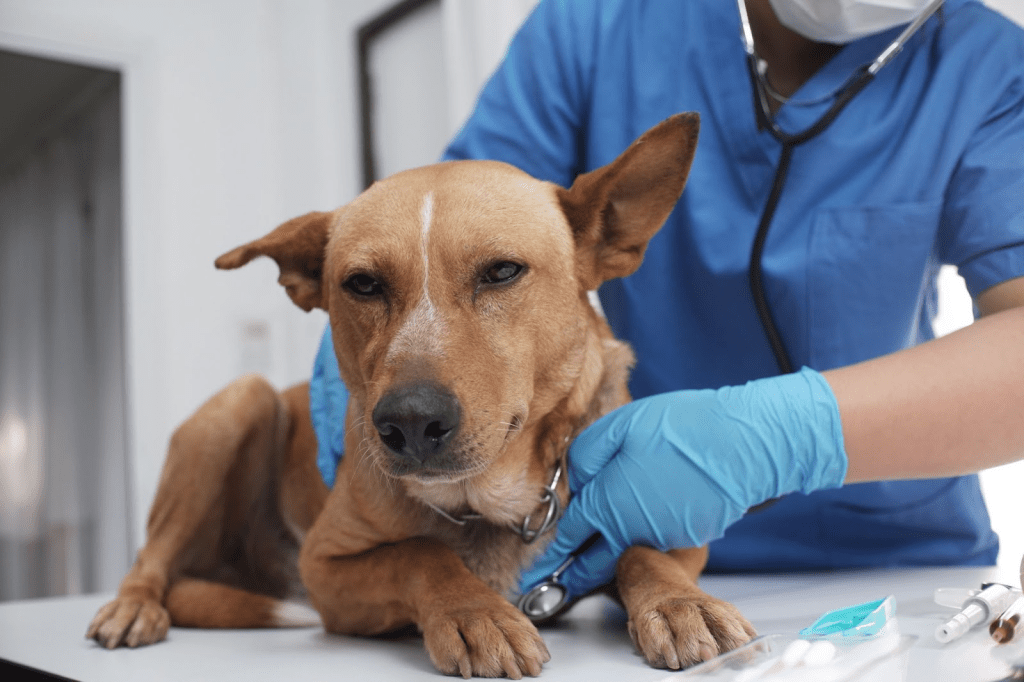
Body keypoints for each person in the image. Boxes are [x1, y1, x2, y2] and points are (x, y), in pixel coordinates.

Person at [310, 0, 1024, 602]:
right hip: (619, 542)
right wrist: (381, 306)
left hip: (898, 561)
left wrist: (781, 436)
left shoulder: (989, 69)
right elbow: (467, 214)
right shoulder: (596, 24)